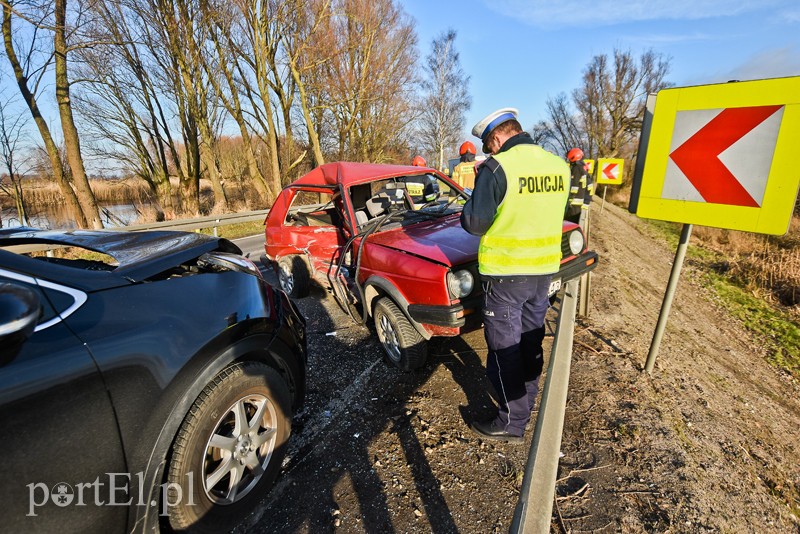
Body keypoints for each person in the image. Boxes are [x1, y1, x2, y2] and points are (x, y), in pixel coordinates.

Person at [460, 107, 569, 443]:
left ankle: (512, 422)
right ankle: (527, 402)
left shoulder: (497, 167)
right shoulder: (558, 166)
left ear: (496, 137)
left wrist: (471, 203)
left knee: (505, 347)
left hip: (507, 274)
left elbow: (475, 223)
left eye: (489, 145)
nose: (489, 151)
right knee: (530, 341)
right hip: (545, 271)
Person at [565, 148, 591, 225]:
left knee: (569, 224)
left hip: (574, 203)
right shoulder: (584, 167)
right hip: (580, 201)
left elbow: (574, 186)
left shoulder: (576, 168)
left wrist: (569, 200)